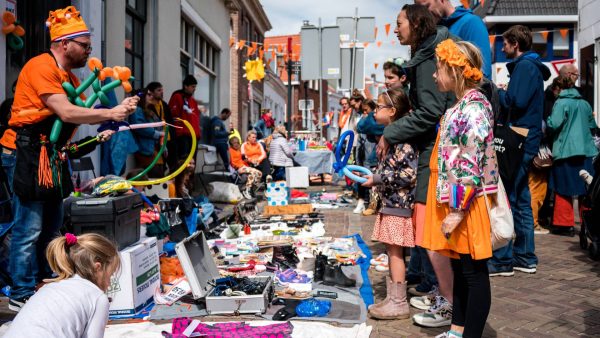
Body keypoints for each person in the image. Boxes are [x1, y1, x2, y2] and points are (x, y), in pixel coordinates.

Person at [4, 6, 138, 312]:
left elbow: (81, 113)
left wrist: (120, 108)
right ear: (65, 44)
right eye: (85, 46)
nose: (88, 52)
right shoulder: (42, 66)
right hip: (24, 153)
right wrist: (109, 113)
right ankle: (21, 291)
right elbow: (66, 111)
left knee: (52, 227)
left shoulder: (70, 78)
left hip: (49, 157)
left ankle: (45, 280)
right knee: (29, 227)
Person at [380, 4, 455, 327]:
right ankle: (445, 296)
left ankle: (450, 304)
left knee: (431, 235)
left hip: (435, 157)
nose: (395, 29)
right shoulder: (427, 53)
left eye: (399, 24)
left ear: (416, 24)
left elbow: (431, 111)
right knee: (431, 234)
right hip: (434, 154)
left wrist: (390, 131)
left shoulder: (427, 59)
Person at [424, 38, 497, 338]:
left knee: (473, 273)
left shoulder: (474, 108)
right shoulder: (462, 107)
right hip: (458, 200)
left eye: (438, 69)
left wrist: (458, 208)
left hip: (465, 202)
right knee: (462, 271)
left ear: (455, 71)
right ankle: (458, 329)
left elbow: (469, 161)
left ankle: (471, 335)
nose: (434, 75)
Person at [488, 25, 551, 277]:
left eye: (505, 43)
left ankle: (503, 260)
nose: (502, 47)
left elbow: (518, 102)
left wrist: (500, 92)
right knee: (522, 199)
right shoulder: (530, 67)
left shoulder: (525, 67)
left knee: (508, 198)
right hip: (527, 139)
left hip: (519, 140)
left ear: (516, 43)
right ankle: (524, 257)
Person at [362, 88, 417, 320]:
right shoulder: (393, 139)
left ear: (392, 111)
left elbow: (407, 174)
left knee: (395, 254)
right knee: (391, 251)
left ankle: (398, 302)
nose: (375, 111)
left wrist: (377, 178)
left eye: (379, 107)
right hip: (391, 204)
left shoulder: (402, 141)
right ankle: (393, 298)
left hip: (398, 205)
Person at [4, 233, 120, 338]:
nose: (109, 283)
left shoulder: (50, 287)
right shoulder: (98, 297)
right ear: (97, 267)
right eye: (110, 275)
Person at [547, 75, 598, 236]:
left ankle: (564, 224)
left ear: (558, 88)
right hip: (586, 151)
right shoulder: (584, 103)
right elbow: (592, 125)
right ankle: (588, 223)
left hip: (565, 152)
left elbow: (553, 124)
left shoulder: (561, 103)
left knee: (563, 189)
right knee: (586, 190)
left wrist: (547, 119)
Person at [415, 0, 492, 79]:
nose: (424, 15)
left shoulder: (471, 23)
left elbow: (481, 74)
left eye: (427, 7)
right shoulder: (433, 32)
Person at [129, 89, 165, 178]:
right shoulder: (137, 110)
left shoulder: (146, 110)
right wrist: (157, 133)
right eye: (148, 94)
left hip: (149, 148)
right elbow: (140, 127)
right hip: (143, 149)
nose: (152, 96)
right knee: (151, 175)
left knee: (152, 175)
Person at [357, 99, 384, 216]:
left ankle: (374, 204)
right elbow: (360, 127)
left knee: (376, 179)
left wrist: (366, 119)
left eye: (366, 110)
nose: (365, 113)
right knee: (374, 179)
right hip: (374, 154)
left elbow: (362, 127)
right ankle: (373, 204)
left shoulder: (373, 117)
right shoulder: (372, 117)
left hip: (375, 154)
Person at [146, 81, 176, 171]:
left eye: (162, 90)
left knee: (174, 164)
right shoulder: (148, 106)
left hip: (168, 138)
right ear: (151, 92)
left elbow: (170, 122)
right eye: (159, 90)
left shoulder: (164, 104)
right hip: (157, 139)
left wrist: (173, 136)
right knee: (159, 166)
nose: (162, 92)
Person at [169, 75, 201, 160]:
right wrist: (179, 133)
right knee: (183, 162)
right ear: (185, 86)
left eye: (195, 87)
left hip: (194, 137)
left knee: (192, 163)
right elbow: (173, 117)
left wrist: (198, 134)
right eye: (192, 86)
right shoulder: (177, 97)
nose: (194, 89)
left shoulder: (193, 101)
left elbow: (196, 119)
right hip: (183, 136)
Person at [348, 90, 368, 213]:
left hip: (368, 144)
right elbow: (351, 129)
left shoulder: (367, 112)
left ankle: (368, 200)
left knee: (368, 171)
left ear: (360, 102)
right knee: (359, 173)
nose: (353, 107)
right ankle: (361, 201)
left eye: (354, 104)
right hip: (357, 144)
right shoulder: (354, 114)